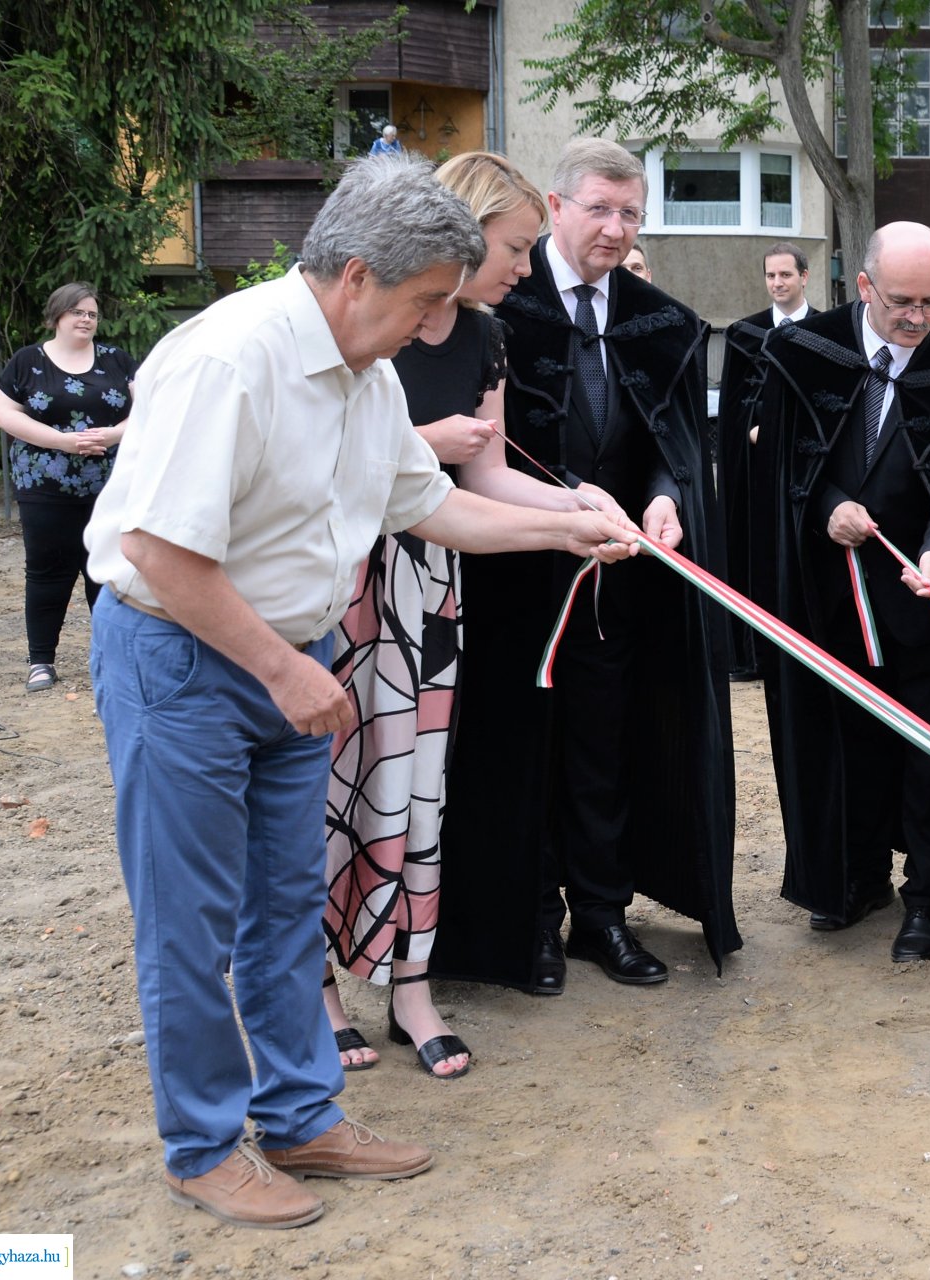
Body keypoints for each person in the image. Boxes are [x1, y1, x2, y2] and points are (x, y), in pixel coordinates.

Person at [84, 155, 638, 1229]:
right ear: (353, 275)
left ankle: (301, 1113)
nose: (440, 324)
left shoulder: (368, 374)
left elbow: (429, 505)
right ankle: (202, 1144)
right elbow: (157, 546)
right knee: (190, 922)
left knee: (286, 904)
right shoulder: (229, 359)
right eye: (427, 299)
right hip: (186, 658)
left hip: (292, 665)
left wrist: (568, 525)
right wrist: (286, 666)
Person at [320, 153, 615, 1079]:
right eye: (516, 247)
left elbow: (486, 476)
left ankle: (412, 987)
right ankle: (315, 988)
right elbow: (325, 452)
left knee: (420, 788)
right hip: (347, 576)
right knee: (332, 784)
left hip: (436, 574)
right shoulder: (373, 319)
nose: (526, 268)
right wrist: (422, 445)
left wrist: (575, 506)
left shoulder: (483, 335)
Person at [432, 137, 737, 995]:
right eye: (598, 208)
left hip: (616, 581)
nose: (614, 227)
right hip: (507, 575)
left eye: (630, 213)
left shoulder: (658, 322)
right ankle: (528, 920)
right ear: (557, 209)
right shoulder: (495, 310)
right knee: (519, 750)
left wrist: (669, 493)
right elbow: (478, 461)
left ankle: (601, 915)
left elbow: (670, 444)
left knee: (606, 746)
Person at [752, 221, 930, 963]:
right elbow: (777, 473)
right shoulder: (803, 355)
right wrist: (824, 506)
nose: (917, 317)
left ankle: (929, 902)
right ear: (863, 286)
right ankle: (851, 879)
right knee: (842, 746)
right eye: (902, 300)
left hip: (924, 609)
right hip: (825, 597)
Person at [0, 284, 135, 692]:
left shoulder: (117, 361)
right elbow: (4, 414)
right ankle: (41, 662)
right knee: (46, 571)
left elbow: (149, 409)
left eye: (92, 313)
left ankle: (109, 659)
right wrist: (63, 442)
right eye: (77, 312)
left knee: (104, 571)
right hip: (43, 485)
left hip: (109, 486)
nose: (86, 319)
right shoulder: (27, 361)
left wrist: (113, 436)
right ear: (57, 316)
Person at [718, 241, 819, 680]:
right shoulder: (744, 333)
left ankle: (807, 649)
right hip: (755, 469)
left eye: (785, 275)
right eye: (771, 276)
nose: (777, 283)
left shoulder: (827, 332)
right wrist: (751, 430)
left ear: (804, 276)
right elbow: (732, 408)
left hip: (807, 470)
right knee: (753, 551)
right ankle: (752, 652)